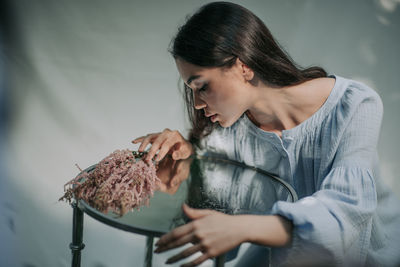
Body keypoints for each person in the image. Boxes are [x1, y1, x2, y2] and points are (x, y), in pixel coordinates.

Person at [132, 2, 400, 266]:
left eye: (202, 86)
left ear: (243, 66)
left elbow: (346, 211)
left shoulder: (354, 104)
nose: (198, 104)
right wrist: (186, 165)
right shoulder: (230, 134)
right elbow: (219, 223)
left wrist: (243, 227)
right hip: (282, 256)